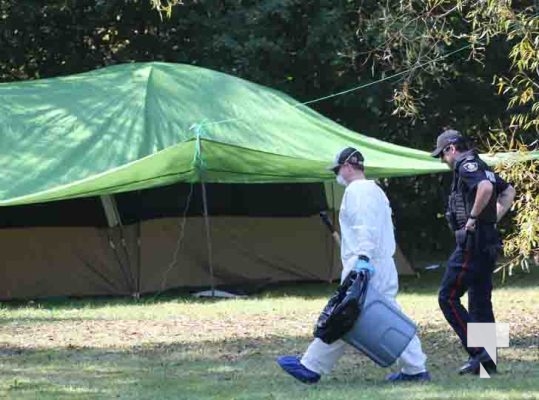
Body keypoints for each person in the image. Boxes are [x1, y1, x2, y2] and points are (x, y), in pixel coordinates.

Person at [276, 147, 430, 384]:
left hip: (367, 265)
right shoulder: (375, 190)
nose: (337, 174)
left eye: (337, 169)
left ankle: (311, 366)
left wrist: (363, 260)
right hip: (376, 263)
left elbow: (364, 227)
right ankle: (415, 369)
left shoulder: (358, 191)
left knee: (347, 315)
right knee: (374, 316)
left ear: (348, 166)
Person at [430, 129, 515, 375]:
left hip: (473, 243)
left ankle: (480, 352)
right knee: (480, 301)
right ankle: (489, 364)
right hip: (488, 241)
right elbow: (509, 191)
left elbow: (486, 188)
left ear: (451, 149)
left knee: (447, 297)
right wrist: (493, 219)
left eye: (442, 155)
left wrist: (473, 219)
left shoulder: (467, 167)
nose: (443, 161)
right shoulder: (481, 164)